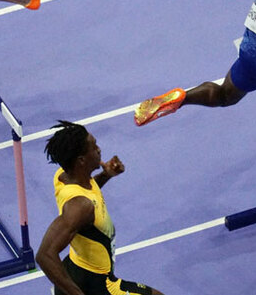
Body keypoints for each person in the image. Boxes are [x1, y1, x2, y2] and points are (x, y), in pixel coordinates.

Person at [37, 121, 165, 295]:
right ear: (81, 160)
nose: (99, 149)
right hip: (98, 284)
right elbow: (45, 255)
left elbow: (88, 193)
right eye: (94, 147)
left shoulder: (64, 176)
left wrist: (106, 175)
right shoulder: (81, 207)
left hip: (75, 267)